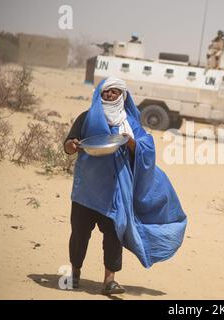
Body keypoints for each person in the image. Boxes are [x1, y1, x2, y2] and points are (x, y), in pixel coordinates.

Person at [64, 77, 187, 295]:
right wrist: (73, 145)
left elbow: (146, 148)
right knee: (79, 234)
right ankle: (74, 273)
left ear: (123, 96)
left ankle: (109, 281)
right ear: (99, 94)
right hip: (87, 190)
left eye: (115, 92)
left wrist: (131, 143)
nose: (110, 95)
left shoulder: (129, 122)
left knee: (114, 235)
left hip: (116, 192)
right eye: (106, 92)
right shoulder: (86, 118)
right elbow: (69, 144)